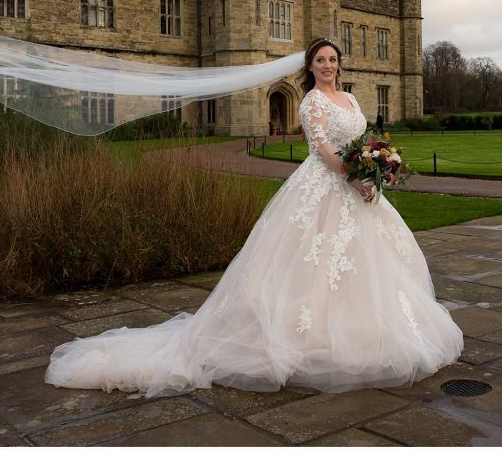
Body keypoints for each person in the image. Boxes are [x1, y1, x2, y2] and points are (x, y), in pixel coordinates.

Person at [43, 38, 463, 397]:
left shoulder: (351, 99)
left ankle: (371, 330)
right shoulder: (312, 101)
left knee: (371, 264)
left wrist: (375, 167)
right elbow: (322, 149)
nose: (327, 66)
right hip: (325, 185)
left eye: (333, 59)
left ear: (340, 64)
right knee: (310, 263)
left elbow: (360, 140)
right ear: (310, 67)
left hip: (359, 189)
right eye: (320, 60)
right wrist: (353, 177)